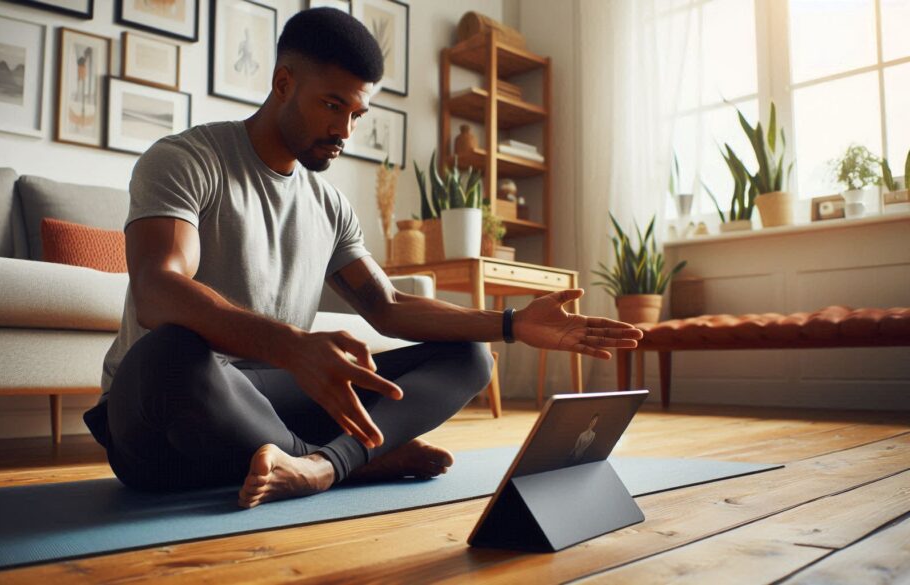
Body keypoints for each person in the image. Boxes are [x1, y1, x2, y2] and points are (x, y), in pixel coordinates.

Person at [82, 8, 642, 510]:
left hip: (265, 406)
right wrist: (291, 347)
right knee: (170, 352)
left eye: (357, 113)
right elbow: (158, 291)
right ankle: (346, 462)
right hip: (161, 426)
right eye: (332, 105)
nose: (344, 130)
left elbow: (389, 305)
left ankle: (318, 465)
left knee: (471, 357)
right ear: (283, 83)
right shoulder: (186, 160)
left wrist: (512, 324)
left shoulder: (328, 204)